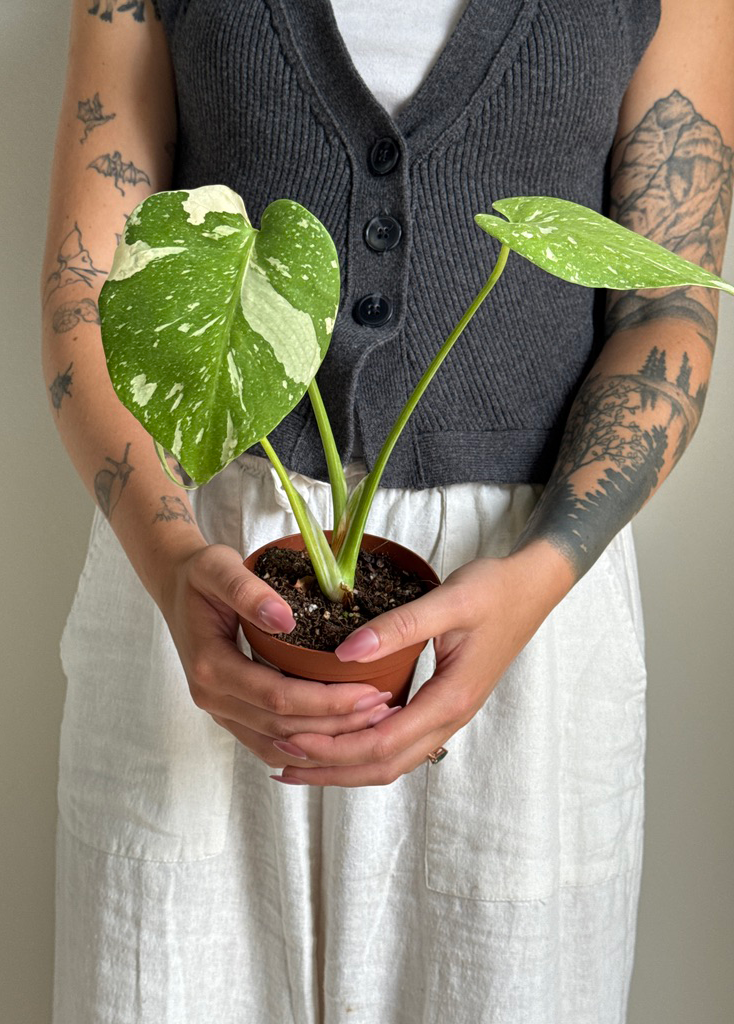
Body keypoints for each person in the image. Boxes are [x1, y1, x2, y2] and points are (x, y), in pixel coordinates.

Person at [42, 1, 733, 1021]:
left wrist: (535, 577)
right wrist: (173, 561)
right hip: (207, 573)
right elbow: (87, 294)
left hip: (524, 604)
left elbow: (668, 302)